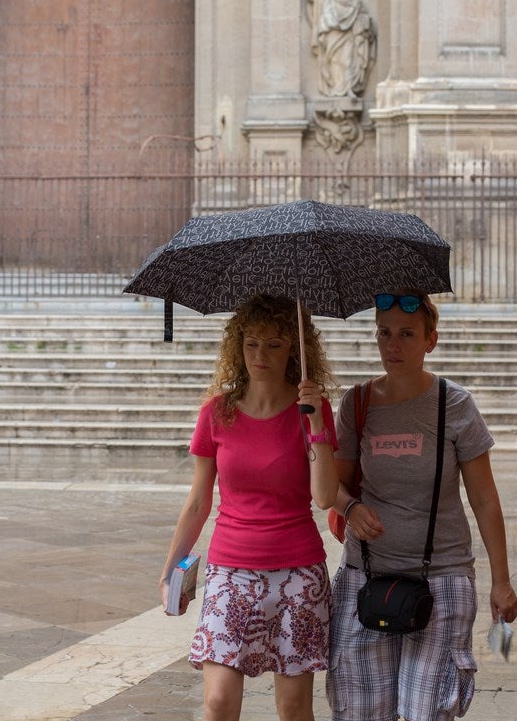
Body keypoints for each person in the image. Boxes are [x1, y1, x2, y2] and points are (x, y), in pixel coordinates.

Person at [326, 290, 517, 721]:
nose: (393, 345)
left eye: (407, 334)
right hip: (365, 576)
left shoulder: (455, 404)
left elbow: (484, 498)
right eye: (384, 333)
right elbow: (331, 486)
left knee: (426, 712)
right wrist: (351, 507)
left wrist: (501, 581)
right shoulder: (357, 403)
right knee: (360, 713)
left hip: (442, 580)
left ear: (431, 339)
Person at [160, 293, 340, 721]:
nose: (261, 355)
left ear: (294, 349)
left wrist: (316, 422)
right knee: (218, 702)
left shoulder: (312, 412)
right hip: (231, 571)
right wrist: (170, 571)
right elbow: (198, 500)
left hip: (298, 573)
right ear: (237, 346)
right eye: (251, 343)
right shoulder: (216, 413)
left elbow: (324, 498)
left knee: (293, 709)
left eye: (274, 344)